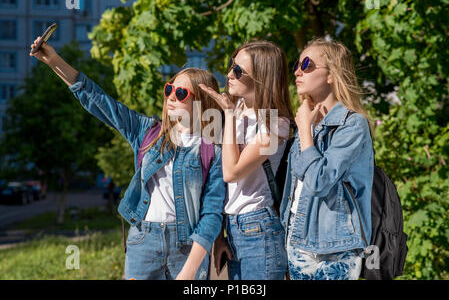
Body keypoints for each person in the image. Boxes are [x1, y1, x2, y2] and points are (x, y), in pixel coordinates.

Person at [29, 36, 226, 280]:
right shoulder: (148, 133)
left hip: (187, 249)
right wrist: (53, 60)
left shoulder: (213, 150)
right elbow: (99, 101)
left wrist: (190, 269)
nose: (171, 97)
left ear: (202, 102)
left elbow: (212, 214)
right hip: (143, 241)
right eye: (169, 89)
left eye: (182, 92)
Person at [279, 38, 374, 280]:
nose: (297, 71)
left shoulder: (352, 124)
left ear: (331, 75)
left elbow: (319, 181)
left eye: (307, 64)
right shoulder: (307, 121)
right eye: (296, 65)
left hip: (335, 248)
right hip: (296, 243)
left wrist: (303, 132)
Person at [200, 40, 294, 280]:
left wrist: (228, 115)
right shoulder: (238, 108)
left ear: (262, 77)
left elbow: (232, 172)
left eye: (238, 70)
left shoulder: (276, 125)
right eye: (232, 65)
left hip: (259, 228)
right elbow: (219, 177)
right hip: (233, 227)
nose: (229, 74)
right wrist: (220, 235)